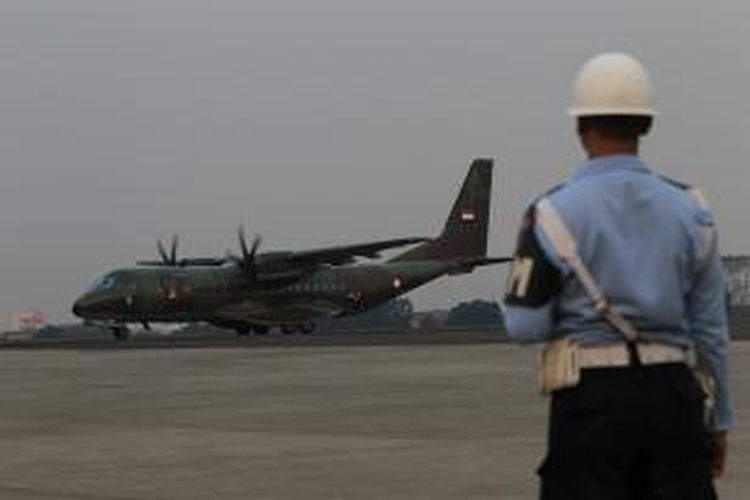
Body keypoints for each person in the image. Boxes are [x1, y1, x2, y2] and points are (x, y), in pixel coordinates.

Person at [503, 52, 732, 499]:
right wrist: (718, 423)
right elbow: (711, 332)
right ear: (645, 125)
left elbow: (523, 325)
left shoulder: (550, 214)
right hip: (674, 400)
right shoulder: (692, 210)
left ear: (580, 126)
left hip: (591, 406)